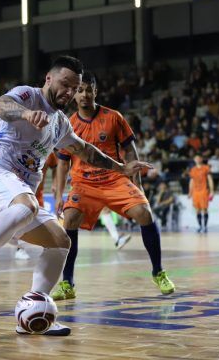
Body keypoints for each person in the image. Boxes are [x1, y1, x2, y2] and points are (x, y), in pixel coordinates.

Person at [0, 56, 151, 336]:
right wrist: (26, 114)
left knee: (60, 240)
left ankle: (34, 311)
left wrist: (121, 168)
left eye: (75, 88)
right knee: (27, 205)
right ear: (49, 79)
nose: (70, 92)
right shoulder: (27, 96)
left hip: (15, 195)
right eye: (65, 84)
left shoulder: (61, 123)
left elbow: (85, 150)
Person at [51, 70, 175, 302]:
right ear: (74, 94)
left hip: (114, 178)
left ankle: (158, 272)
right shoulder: (68, 125)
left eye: (89, 90)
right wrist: (58, 194)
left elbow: (129, 150)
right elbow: (62, 162)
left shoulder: (113, 117)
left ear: (96, 91)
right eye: (80, 90)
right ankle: (67, 283)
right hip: (83, 183)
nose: (85, 94)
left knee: (145, 214)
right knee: (69, 221)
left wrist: (136, 184)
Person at [189, 154, 214, 233]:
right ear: (194, 159)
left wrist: (212, 190)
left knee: (205, 209)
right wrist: (190, 191)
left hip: (203, 191)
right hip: (196, 192)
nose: (197, 159)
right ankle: (200, 226)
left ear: (201, 159)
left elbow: (210, 179)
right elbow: (192, 181)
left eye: (199, 158)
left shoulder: (206, 168)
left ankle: (205, 226)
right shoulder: (193, 169)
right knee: (197, 210)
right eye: (196, 158)